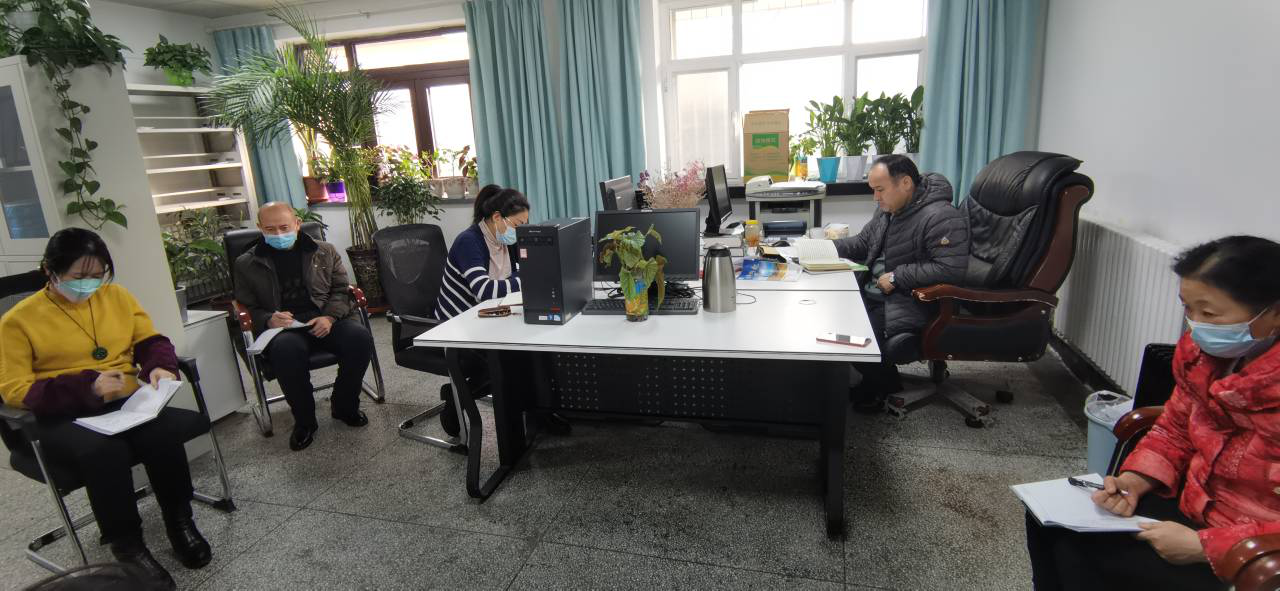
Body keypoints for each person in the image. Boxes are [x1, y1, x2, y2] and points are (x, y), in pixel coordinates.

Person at [1024, 235, 1280, 591]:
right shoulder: (1202, 357)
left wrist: (1207, 548)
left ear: (1274, 312)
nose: (1195, 326)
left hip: (1255, 548)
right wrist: (1135, 480)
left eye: (1209, 314)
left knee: (1092, 558)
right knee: (1054, 524)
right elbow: (1174, 428)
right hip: (1196, 504)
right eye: (1188, 309)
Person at [0, 228, 211, 590]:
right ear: (50, 271)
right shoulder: (18, 321)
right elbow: (14, 389)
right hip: (62, 412)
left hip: (123, 401)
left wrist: (160, 366)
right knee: (104, 451)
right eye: (79, 276)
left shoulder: (117, 297)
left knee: (162, 434)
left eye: (98, 275)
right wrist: (87, 387)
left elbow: (149, 340)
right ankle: (128, 547)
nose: (90, 284)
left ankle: (180, 520)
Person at [831, 155, 969, 412]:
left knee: (853, 339)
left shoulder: (941, 217)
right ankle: (872, 379)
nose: (876, 197)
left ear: (905, 183)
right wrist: (820, 247)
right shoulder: (890, 209)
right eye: (873, 190)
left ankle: (883, 385)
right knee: (829, 316)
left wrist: (897, 276)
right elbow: (862, 243)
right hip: (876, 293)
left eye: (880, 190)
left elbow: (951, 269)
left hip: (909, 301)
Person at [233, 202, 375, 451]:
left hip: (324, 317)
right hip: (284, 327)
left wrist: (329, 317)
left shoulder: (325, 251)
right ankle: (305, 421)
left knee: (360, 338)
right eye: (270, 229)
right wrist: (267, 318)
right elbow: (246, 306)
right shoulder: (246, 263)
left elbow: (341, 290)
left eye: (284, 227)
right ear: (259, 228)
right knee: (286, 350)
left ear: (297, 224)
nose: (278, 234)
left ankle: (344, 405)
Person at [432, 185, 530, 435]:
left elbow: (522, 272)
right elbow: (484, 290)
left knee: (530, 352)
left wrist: (523, 277)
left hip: (491, 317)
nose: (520, 231)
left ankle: (537, 413)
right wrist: (524, 279)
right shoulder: (469, 241)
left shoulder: (504, 241)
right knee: (507, 361)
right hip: (457, 326)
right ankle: (455, 403)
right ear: (497, 217)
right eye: (517, 225)